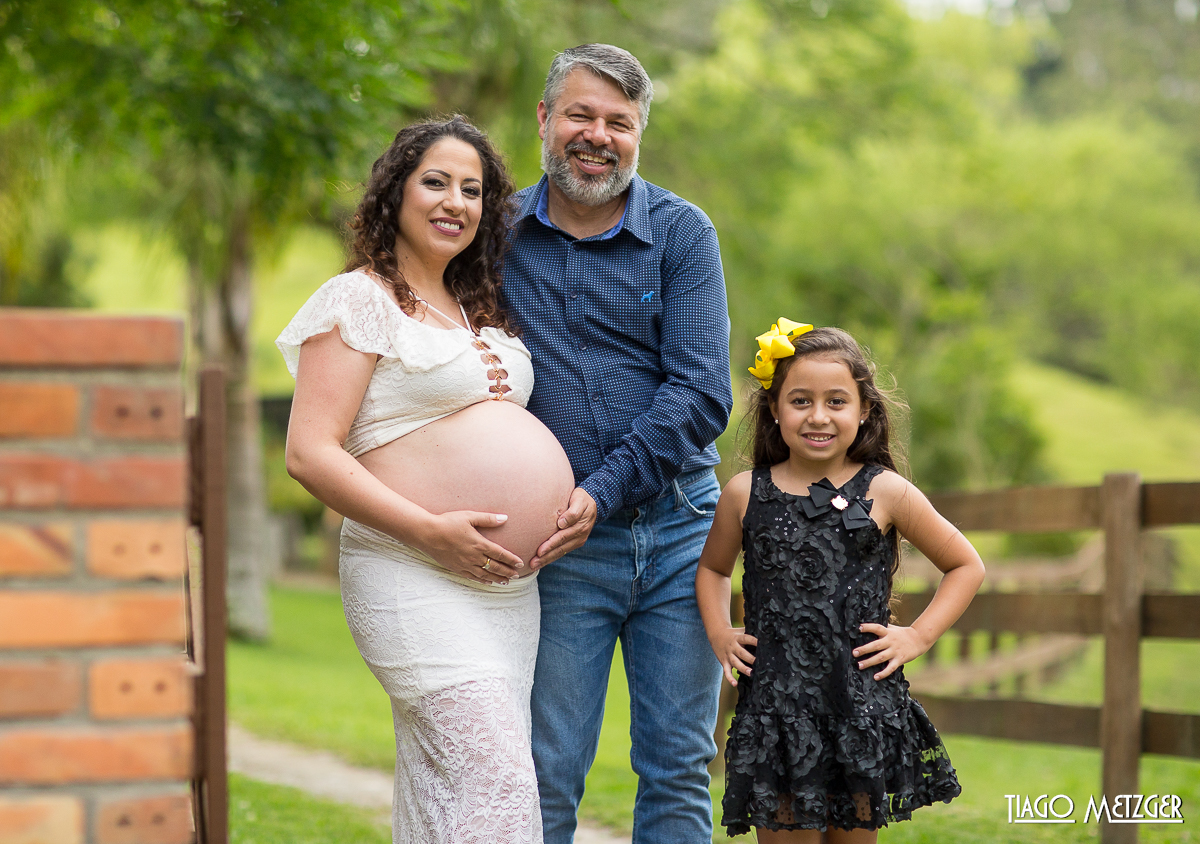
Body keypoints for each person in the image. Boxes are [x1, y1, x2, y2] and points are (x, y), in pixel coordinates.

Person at [277, 115, 576, 843]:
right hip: (409, 570)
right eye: (435, 182)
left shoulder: (482, 310)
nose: (455, 202)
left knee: (447, 788)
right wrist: (429, 531)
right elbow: (310, 452)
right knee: (497, 775)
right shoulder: (358, 299)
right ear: (395, 193)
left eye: (472, 190)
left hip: (507, 594)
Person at [500, 44, 734, 844]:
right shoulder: (496, 239)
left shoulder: (681, 234)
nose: (597, 136)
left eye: (619, 123)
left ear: (638, 134)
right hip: (561, 545)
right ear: (544, 119)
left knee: (676, 765)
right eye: (580, 115)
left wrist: (602, 488)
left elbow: (703, 393)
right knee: (548, 764)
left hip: (680, 532)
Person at [695, 321, 985, 842]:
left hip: (859, 709)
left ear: (864, 409)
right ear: (775, 409)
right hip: (778, 713)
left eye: (836, 401)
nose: (819, 416)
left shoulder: (888, 492)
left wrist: (917, 636)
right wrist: (720, 633)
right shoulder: (743, 493)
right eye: (801, 400)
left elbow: (966, 565)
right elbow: (713, 568)